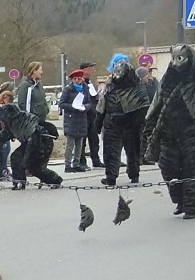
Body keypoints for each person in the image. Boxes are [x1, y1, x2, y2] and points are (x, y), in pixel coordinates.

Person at [143, 43, 195, 219]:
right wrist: (150, 124)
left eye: (180, 58)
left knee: (192, 169)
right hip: (168, 129)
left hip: (193, 131)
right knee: (167, 166)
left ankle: (190, 207)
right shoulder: (167, 78)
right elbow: (157, 102)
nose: (175, 63)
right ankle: (179, 199)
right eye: (173, 58)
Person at [0, 104, 63, 190]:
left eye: (2, 120)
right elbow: (0, 137)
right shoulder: (11, 124)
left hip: (42, 142)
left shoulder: (24, 122)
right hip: (29, 142)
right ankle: (19, 182)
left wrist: (27, 160)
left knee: (33, 167)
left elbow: (33, 139)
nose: (1, 122)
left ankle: (55, 180)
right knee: (16, 158)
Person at [96, 59, 149, 187]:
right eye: (116, 72)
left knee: (133, 150)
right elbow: (102, 105)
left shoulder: (136, 87)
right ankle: (111, 176)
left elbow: (142, 107)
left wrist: (139, 124)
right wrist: (98, 123)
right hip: (111, 122)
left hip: (130, 123)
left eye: (120, 72)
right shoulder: (110, 87)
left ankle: (134, 173)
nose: (117, 75)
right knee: (110, 151)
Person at [58, 69, 93, 173]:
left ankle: (76, 163)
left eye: (79, 78)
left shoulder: (85, 88)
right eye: (75, 79)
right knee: (70, 144)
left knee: (80, 144)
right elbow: (62, 103)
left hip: (81, 118)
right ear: (72, 80)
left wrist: (85, 107)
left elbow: (89, 102)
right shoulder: (68, 89)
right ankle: (67, 164)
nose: (77, 80)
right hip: (71, 119)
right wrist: (74, 107)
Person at [77, 61, 104, 169]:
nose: (93, 70)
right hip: (83, 116)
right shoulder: (79, 83)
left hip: (92, 116)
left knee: (94, 140)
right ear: (84, 70)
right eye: (90, 68)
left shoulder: (90, 83)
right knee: (82, 141)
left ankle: (95, 160)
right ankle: (81, 161)